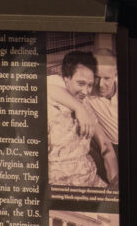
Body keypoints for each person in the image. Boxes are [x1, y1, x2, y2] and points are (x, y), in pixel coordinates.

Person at [47, 50, 118, 189]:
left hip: (92, 177)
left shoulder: (87, 103)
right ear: (65, 78)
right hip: (61, 183)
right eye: (81, 83)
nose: (86, 91)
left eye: (90, 85)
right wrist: (79, 108)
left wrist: (115, 181)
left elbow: (105, 146)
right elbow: (45, 86)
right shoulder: (55, 92)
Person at [85, 48, 118, 151]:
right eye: (97, 77)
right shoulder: (86, 92)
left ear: (116, 75)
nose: (100, 84)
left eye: (107, 78)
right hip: (113, 147)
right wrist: (78, 108)